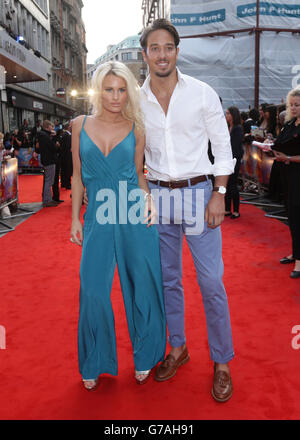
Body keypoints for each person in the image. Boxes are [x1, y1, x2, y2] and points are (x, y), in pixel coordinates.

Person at [139, 18, 235, 402]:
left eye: (168, 47)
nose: (161, 54)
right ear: (145, 54)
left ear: (177, 51)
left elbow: (223, 148)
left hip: (198, 194)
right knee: (168, 281)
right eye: (154, 48)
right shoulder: (136, 98)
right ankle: (177, 347)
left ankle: (223, 361)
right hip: (159, 198)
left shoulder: (201, 93)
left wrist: (220, 193)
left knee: (211, 282)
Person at [70, 61, 166, 390]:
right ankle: (94, 360)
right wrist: (74, 218)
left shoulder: (137, 128)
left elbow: (140, 174)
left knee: (141, 286)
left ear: (129, 92)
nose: (115, 96)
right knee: (93, 290)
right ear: (99, 90)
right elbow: (77, 176)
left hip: (133, 214)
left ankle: (145, 356)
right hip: (97, 214)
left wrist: (149, 203)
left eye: (121, 90)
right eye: (109, 89)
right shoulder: (78, 125)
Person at [272, 86, 300, 279]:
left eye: (297, 104)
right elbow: (280, 144)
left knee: (298, 217)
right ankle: (294, 252)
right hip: (287, 175)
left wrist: (288, 157)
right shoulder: (289, 125)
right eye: (291, 105)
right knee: (290, 214)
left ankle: (299, 260)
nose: (293, 108)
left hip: (298, 176)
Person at [224, 106, 244, 219]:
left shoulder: (237, 128)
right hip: (226, 159)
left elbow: (236, 146)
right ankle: (227, 209)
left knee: (233, 184)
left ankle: (236, 210)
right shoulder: (227, 127)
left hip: (234, 159)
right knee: (226, 184)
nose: (226, 115)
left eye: (228, 113)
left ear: (233, 115)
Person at [36, 120, 59, 207]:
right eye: (51, 127)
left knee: (48, 180)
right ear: (47, 127)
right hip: (49, 160)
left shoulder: (42, 135)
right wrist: (53, 139)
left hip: (46, 160)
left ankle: (47, 199)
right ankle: (47, 200)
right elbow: (53, 147)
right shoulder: (45, 136)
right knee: (49, 181)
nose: (53, 128)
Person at [60, 121, 73, 190]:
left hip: (64, 156)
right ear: (68, 127)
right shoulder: (67, 135)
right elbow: (67, 147)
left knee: (64, 170)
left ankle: (64, 184)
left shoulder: (64, 134)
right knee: (67, 170)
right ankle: (67, 184)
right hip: (67, 156)